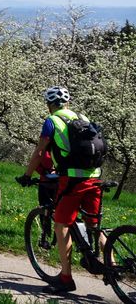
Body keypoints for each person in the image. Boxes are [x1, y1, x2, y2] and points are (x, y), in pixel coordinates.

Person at [17, 86, 103, 294]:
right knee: (94, 224)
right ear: (67, 103)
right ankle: (111, 265)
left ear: (49, 105)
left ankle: (65, 278)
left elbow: (40, 152)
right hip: (95, 176)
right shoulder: (82, 117)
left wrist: (27, 175)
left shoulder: (52, 121)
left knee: (61, 224)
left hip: (72, 179)